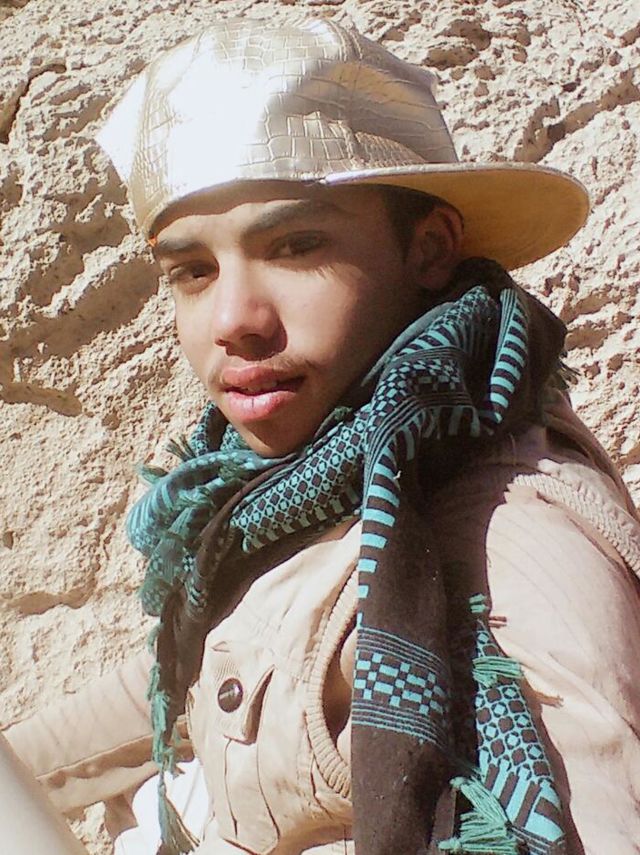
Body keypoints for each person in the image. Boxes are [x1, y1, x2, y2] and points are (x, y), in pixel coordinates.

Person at [4, 16, 640, 855]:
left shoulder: (510, 541)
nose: (233, 319)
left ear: (429, 249)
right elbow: (213, 671)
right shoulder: (288, 485)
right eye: (193, 270)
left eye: (295, 245)